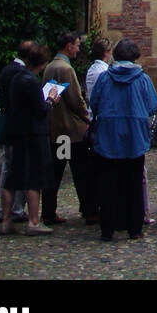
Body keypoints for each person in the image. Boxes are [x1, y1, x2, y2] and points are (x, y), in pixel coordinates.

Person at [88, 38, 157, 241]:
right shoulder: (142, 79)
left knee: (108, 184)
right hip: (135, 138)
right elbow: (153, 106)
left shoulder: (104, 78)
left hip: (108, 137)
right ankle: (134, 228)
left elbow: (95, 103)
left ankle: (108, 228)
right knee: (134, 184)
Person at [0, 44, 58, 235]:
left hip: (16, 132)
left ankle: (6, 220)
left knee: (13, 178)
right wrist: (50, 99)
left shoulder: (16, 77)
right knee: (34, 179)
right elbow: (40, 110)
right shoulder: (30, 81)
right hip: (33, 134)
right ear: (41, 63)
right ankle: (33, 221)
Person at [41, 31, 97, 227]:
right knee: (82, 173)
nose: (78, 48)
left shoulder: (50, 67)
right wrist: (87, 118)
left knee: (55, 172)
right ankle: (90, 211)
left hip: (56, 130)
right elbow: (75, 100)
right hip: (70, 133)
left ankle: (48, 211)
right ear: (68, 46)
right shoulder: (66, 69)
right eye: (76, 45)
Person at [0, 39, 32, 224]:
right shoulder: (20, 73)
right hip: (18, 126)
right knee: (17, 168)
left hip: (9, 125)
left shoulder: (7, 69)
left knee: (8, 167)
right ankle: (15, 209)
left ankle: (6, 209)